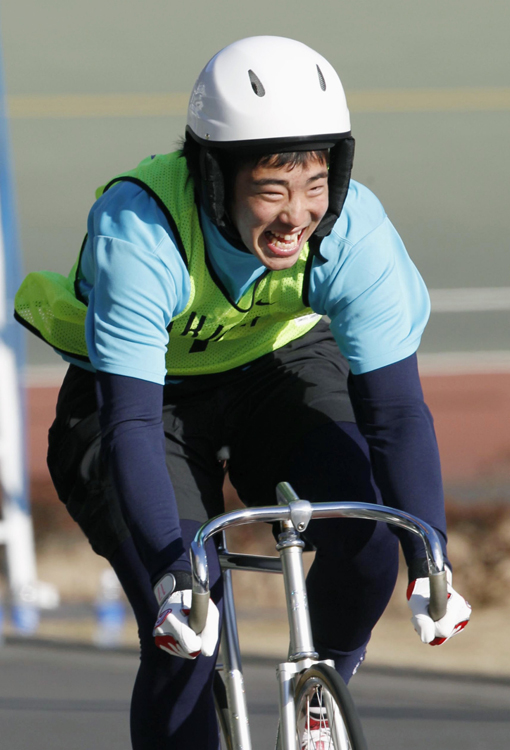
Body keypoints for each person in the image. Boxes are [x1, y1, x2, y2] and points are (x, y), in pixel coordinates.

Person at [15, 36, 471, 749]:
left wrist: (431, 556)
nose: (297, 215)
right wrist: (174, 575)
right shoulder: (142, 230)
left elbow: (396, 412)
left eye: (315, 184)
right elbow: (131, 424)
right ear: (213, 178)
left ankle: (321, 700)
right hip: (146, 398)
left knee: (373, 539)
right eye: (271, 190)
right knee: (192, 628)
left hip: (277, 369)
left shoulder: (356, 232)